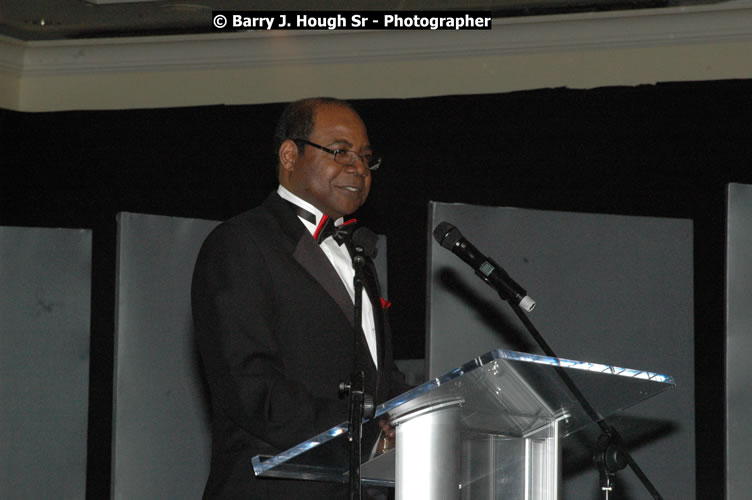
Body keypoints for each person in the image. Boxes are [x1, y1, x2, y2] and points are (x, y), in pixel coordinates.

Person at [191, 97, 409, 499]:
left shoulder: (359, 255)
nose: (358, 167)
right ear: (290, 154)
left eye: (365, 156)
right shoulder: (241, 243)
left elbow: (381, 380)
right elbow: (249, 388)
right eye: (340, 151)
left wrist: (425, 421)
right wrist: (365, 439)